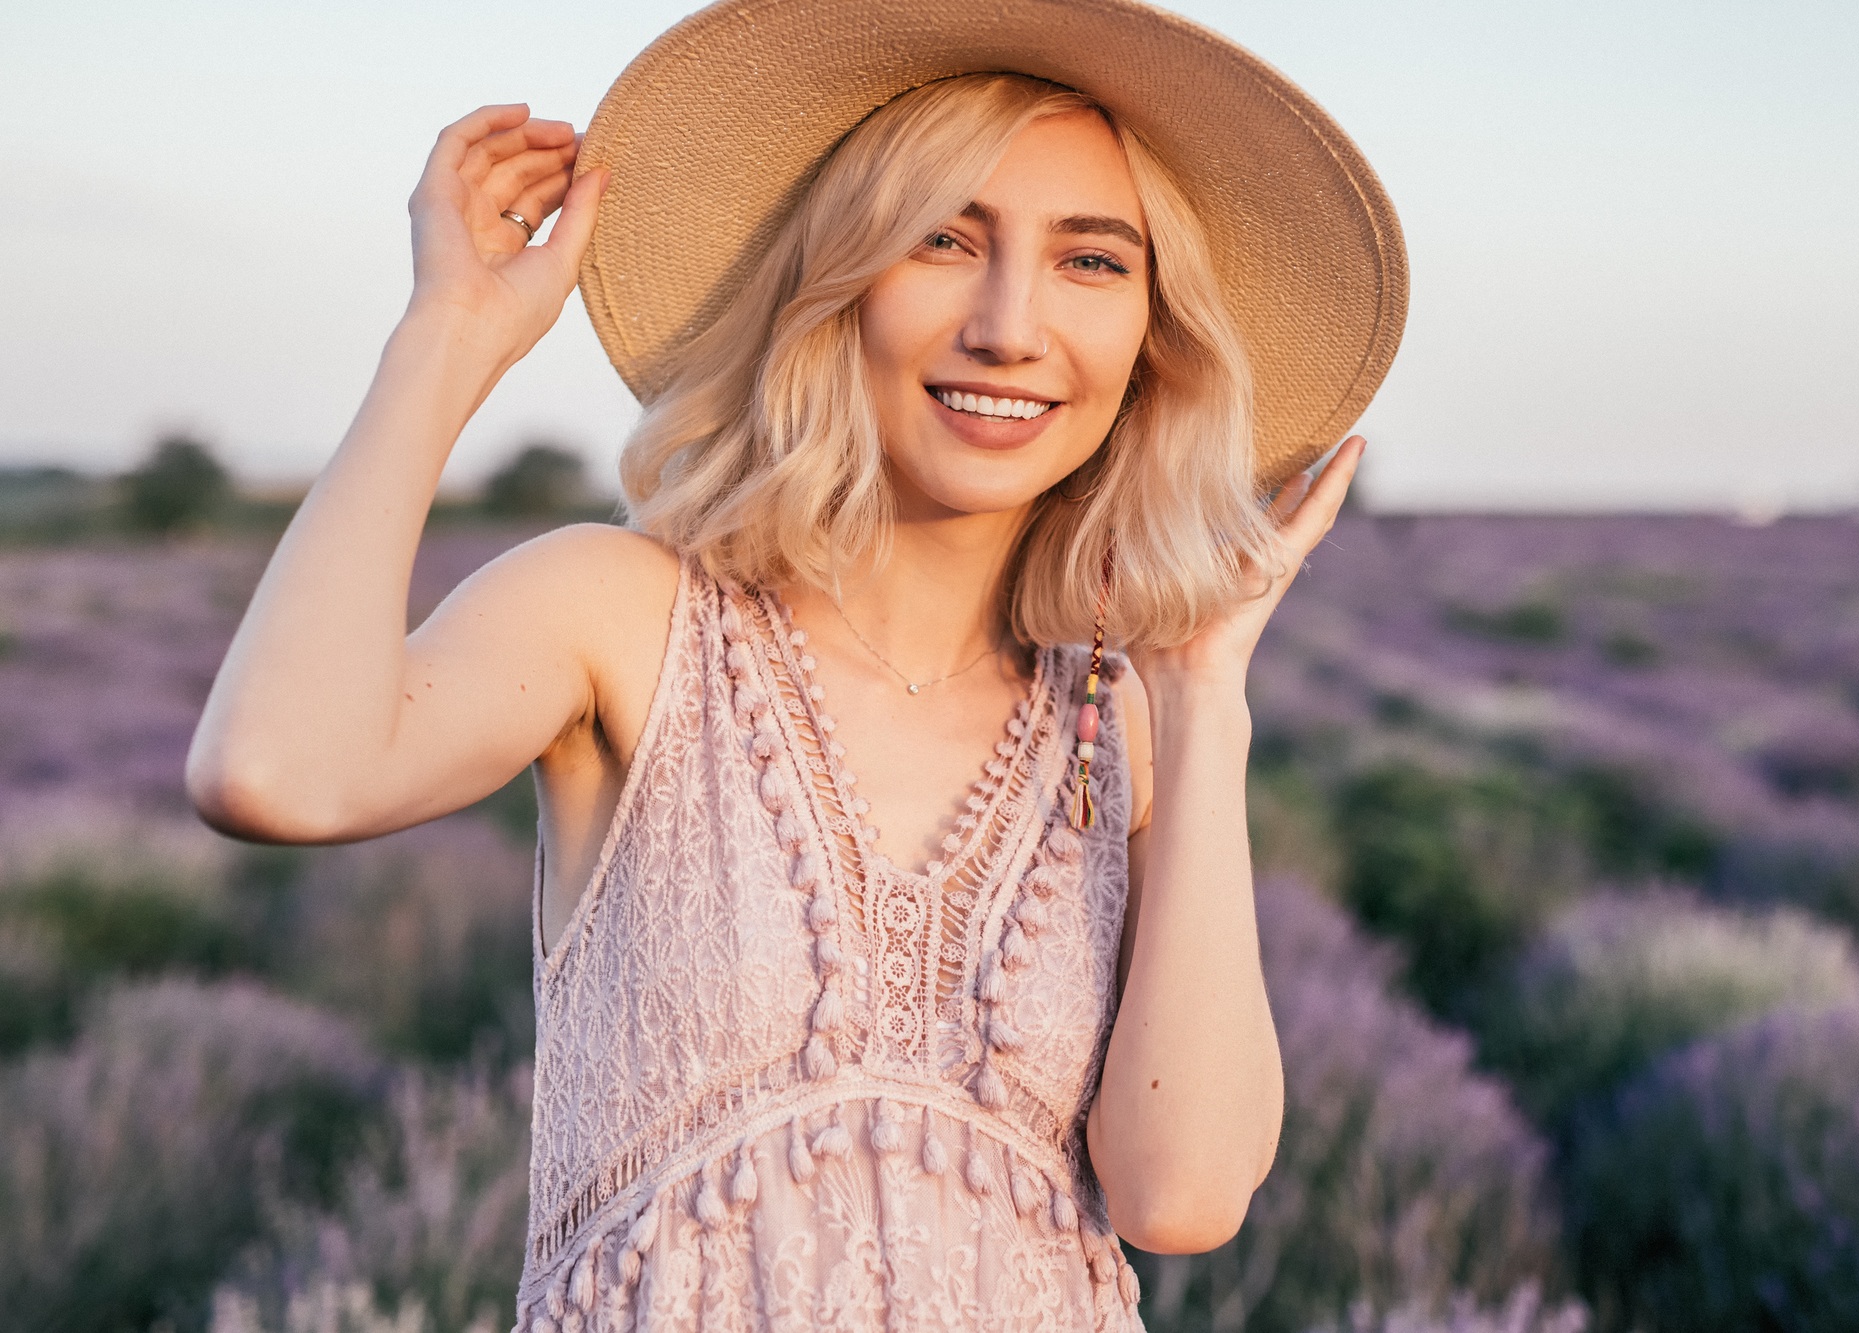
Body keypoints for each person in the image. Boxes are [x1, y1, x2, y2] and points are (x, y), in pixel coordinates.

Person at [187, 1, 1405, 1328]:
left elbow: (1185, 1196)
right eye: (945, 237)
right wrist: (448, 338)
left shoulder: (1130, 724)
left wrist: (1209, 691)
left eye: (1091, 262)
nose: (1009, 325)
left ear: (1151, 337)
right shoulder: (627, 613)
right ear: (840, 278)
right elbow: (274, 772)